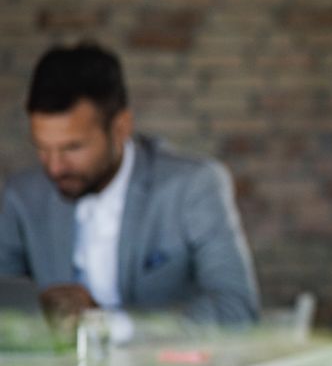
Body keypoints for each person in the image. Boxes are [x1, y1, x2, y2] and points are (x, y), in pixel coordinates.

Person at [0, 42, 259, 335]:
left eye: (73, 147)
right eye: (43, 149)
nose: (55, 167)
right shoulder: (22, 195)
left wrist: (111, 324)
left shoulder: (191, 186)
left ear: (121, 127)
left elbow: (237, 309)